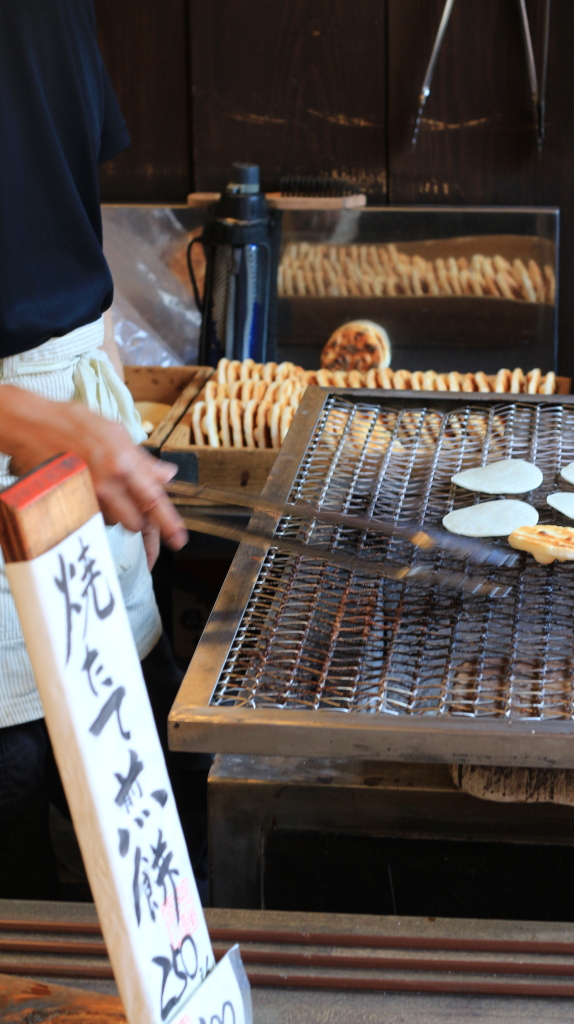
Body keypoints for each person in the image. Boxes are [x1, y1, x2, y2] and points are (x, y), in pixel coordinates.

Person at [0, 0, 207, 900]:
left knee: (155, 865)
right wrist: (29, 422)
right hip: (26, 451)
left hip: (82, 454)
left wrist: (105, 405)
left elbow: (60, 236)